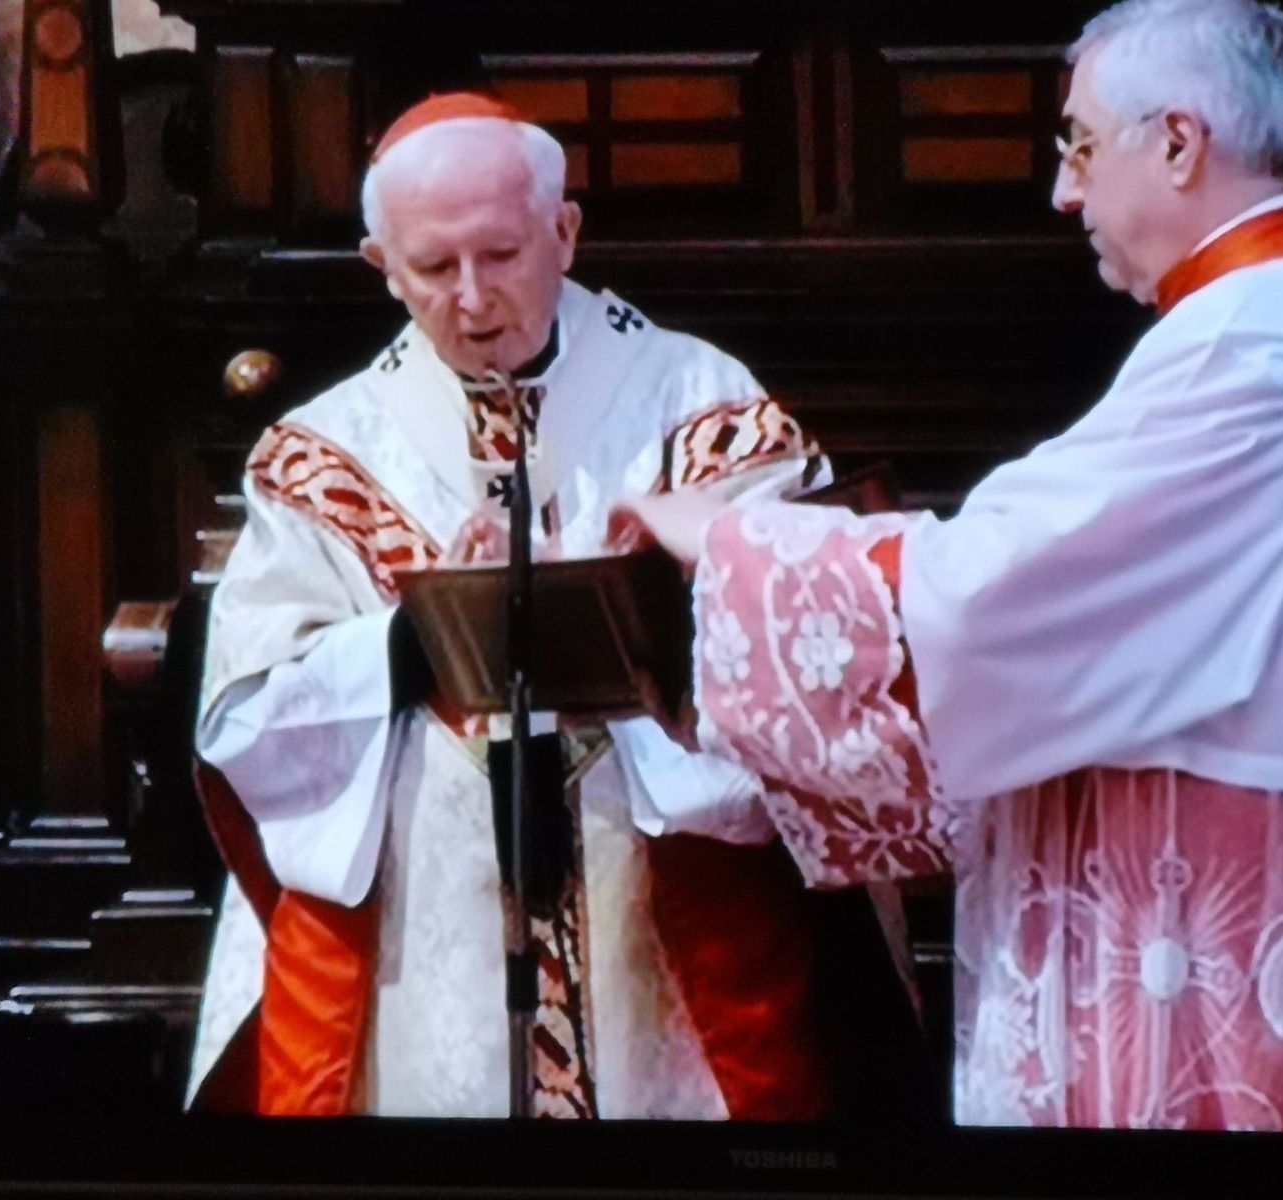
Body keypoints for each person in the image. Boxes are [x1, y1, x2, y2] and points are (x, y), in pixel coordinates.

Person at [617, 0, 1283, 1133]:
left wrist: (731, 539)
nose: (1063, 192)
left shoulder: (1261, 339)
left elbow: (990, 593)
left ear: (1179, 142)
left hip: (1230, 927)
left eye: (1080, 146)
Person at [186, 92, 927, 1119]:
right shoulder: (324, 454)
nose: (473, 298)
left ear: (565, 232)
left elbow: (808, 645)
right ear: (381, 266)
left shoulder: (699, 403)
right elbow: (250, 719)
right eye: (433, 268)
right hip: (425, 934)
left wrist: (624, 600)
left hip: (662, 922)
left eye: (502, 254)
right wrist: (419, 635)